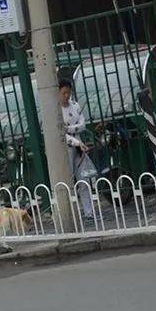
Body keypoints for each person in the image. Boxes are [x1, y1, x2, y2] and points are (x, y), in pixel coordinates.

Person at [59, 78, 99, 222]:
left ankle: (88, 212)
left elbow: (82, 124)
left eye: (68, 93)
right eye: (63, 93)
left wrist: (70, 128)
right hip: (67, 148)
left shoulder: (74, 105)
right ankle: (68, 214)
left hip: (79, 146)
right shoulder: (56, 110)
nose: (66, 96)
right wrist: (75, 140)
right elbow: (60, 133)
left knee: (84, 179)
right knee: (68, 180)